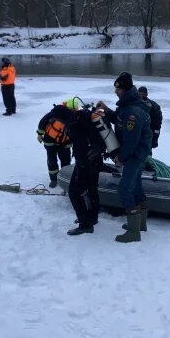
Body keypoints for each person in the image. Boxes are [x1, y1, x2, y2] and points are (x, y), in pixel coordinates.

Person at [97, 72, 152, 243]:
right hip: (137, 153)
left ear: (125, 89)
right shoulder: (127, 105)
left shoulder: (133, 112)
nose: (115, 91)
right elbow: (119, 120)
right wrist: (107, 111)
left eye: (118, 88)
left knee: (125, 189)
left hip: (135, 154)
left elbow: (131, 141)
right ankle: (140, 225)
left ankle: (134, 233)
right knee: (136, 187)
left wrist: (120, 157)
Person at [62, 98, 107, 236]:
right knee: (92, 188)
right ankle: (92, 218)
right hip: (94, 160)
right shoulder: (85, 118)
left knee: (74, 191)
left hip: (86, 162)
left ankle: (85, 224)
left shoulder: (79, 123)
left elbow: (82, 141)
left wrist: (84, 160)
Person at [36, 99, 74, 187]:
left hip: (65, 143)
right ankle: (54, 179)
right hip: (50, 142)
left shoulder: (74, 118)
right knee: (52, 161)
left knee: (66, 162)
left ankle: (65, 178)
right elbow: (42, 122)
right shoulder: (55, 113)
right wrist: (39, 134)